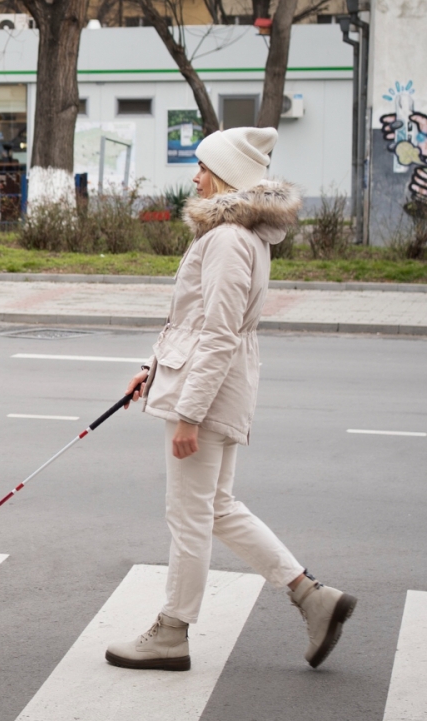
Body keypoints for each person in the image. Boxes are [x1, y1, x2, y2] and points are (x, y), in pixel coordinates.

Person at [105, 127, 357, 672]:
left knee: (189, 518)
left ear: (222, 176)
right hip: (219, 387)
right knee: (216, 508)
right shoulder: (241, 236)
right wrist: (151, 370)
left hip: (209, 397)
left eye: (201, 167)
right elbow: (196, 324)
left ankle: (172, 633)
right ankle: (312, 596)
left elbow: (218, 334)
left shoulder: (224, 240)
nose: (194, 177)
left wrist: (188, 415)